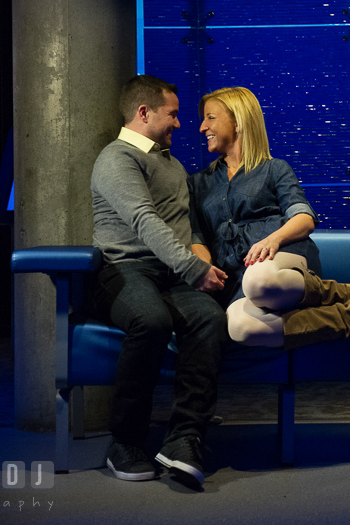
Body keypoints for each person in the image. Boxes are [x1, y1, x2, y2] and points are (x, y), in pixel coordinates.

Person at [187, 86, 350, 349]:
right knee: (240, 327)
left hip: (282, 260)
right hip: (235, 274)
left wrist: (272, 240)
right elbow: (197, 237)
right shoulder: (197, 183)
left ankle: (348, 292)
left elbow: (304, 218)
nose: (203, 127)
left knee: (259, 281)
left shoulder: (274, 168)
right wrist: (204, 269)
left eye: (210, 117)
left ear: (238, 121)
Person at [90, 75, 228, 488]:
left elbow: (186, 226)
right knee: (150, 321)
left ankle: (185, 437)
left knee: (209, 317)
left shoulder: (171, 163)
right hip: (122, 270)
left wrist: (198, 255)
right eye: (174, 114)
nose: (181, 124)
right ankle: (125, 442)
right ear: (144, 113)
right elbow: (143, 222)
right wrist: (193, 269)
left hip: (169, 274)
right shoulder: (117, 158)